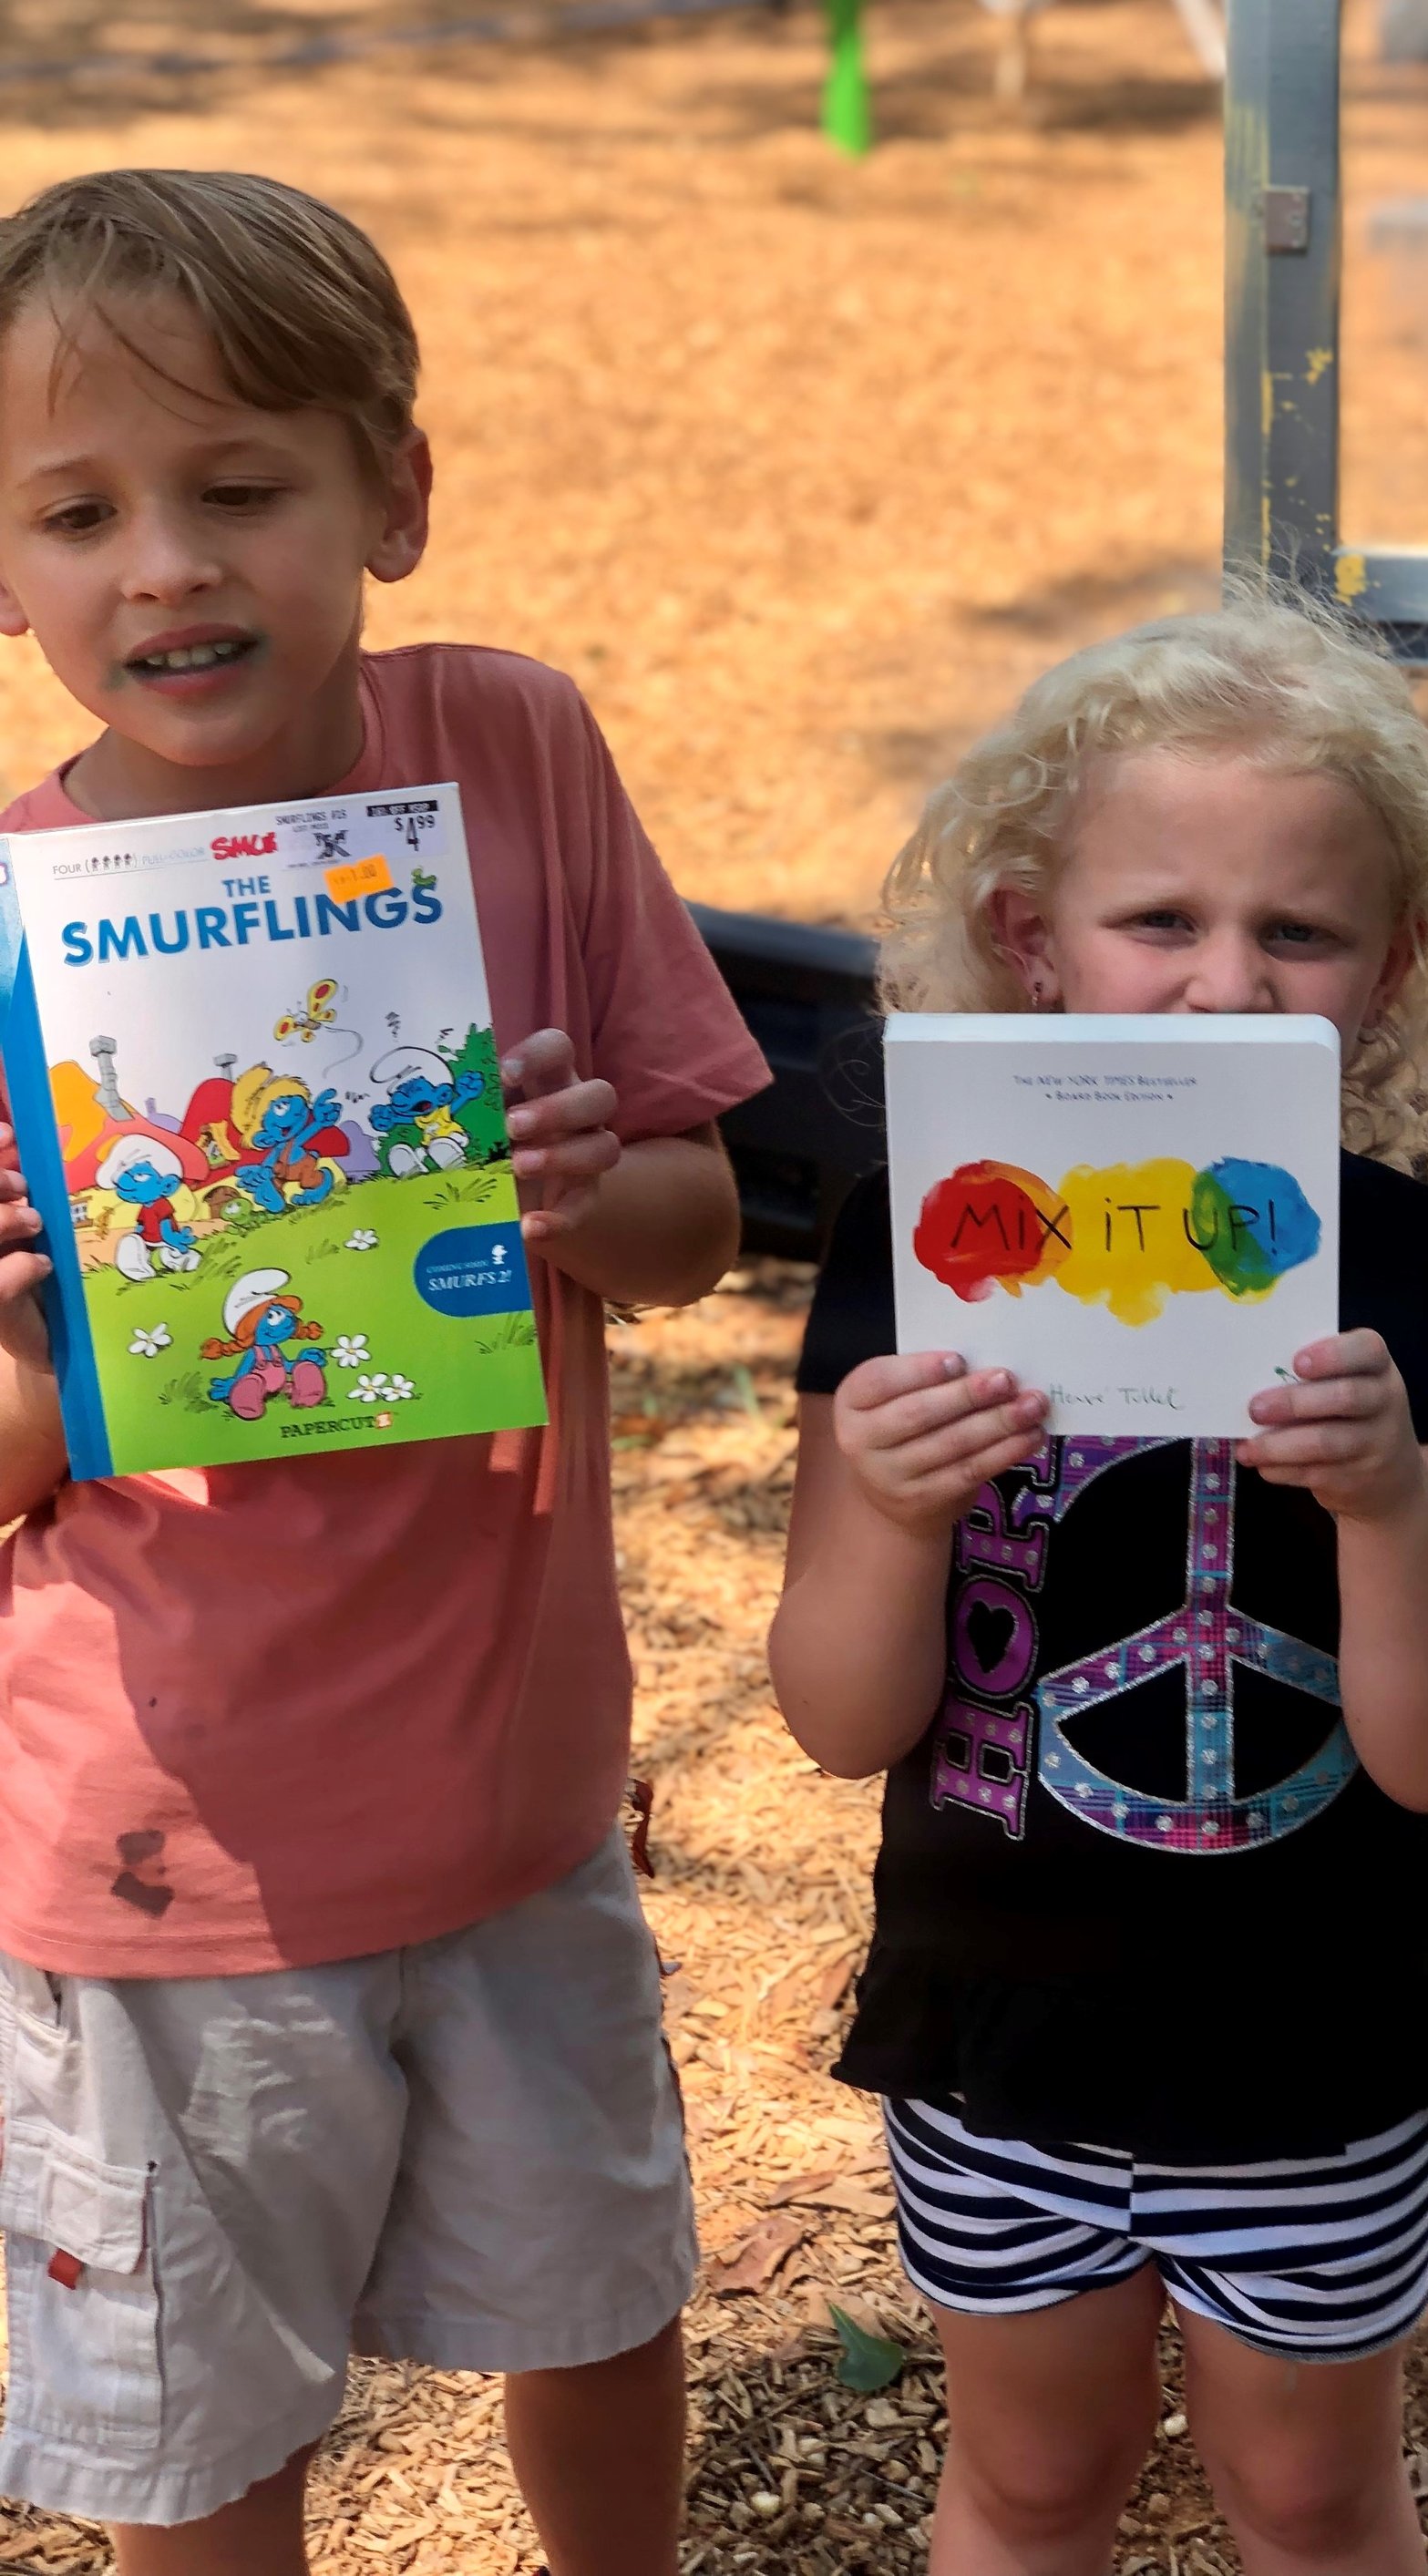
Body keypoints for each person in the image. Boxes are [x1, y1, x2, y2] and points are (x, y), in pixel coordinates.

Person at [0, 169, 769, 2575]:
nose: (166, 565)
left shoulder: (513, 757)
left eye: (242, 487)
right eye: (81, 511)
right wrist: (37, 1318)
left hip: (518, 1803)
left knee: (597, 2303)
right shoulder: (15, 930)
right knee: (211, 2427)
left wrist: (577, 1190)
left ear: (391, 497)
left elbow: (690, 1234)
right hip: (164, 1847)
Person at [769, 598, 1428, 2576]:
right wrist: (882, 1497)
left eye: (1292, 933)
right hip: (995, 2019)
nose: (1219, 988)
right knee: (1031, 2483)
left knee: (1302, 2493)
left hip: (1314, 2032)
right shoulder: (917, 1245)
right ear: (1030, 938)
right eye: (1156, 922)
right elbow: (838, 1715)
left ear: (1389, 968)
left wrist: (1380, 1507)